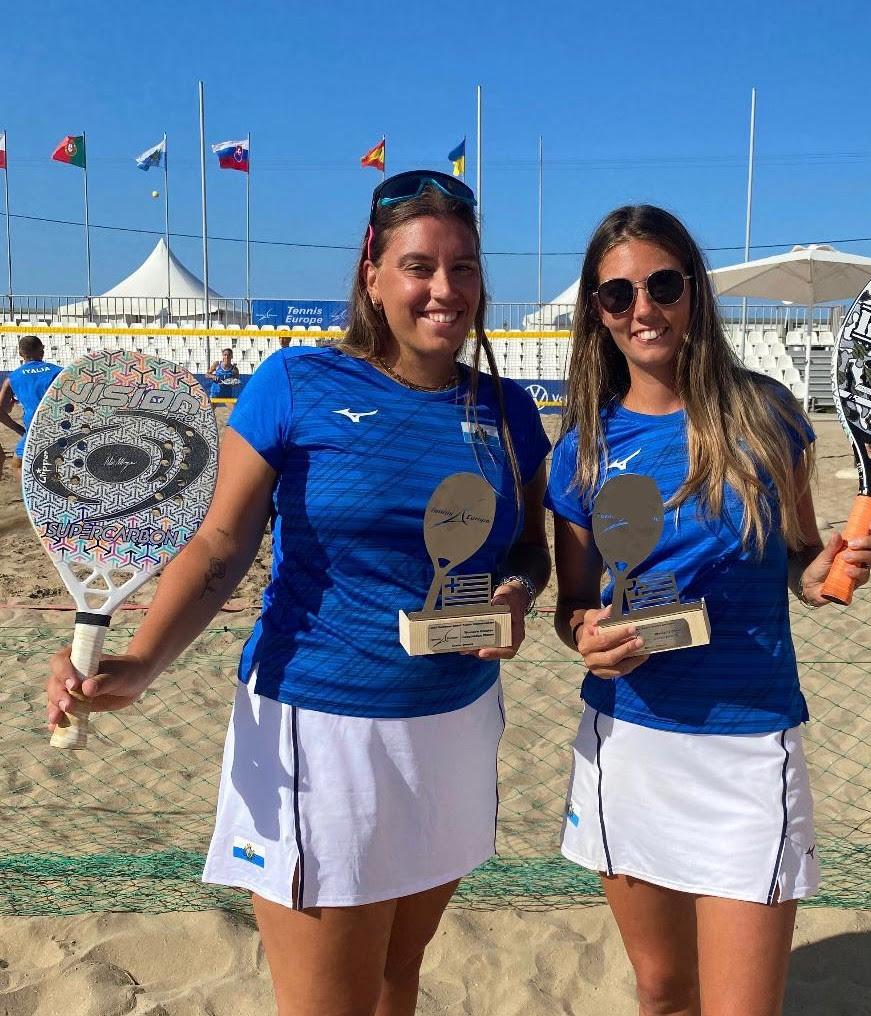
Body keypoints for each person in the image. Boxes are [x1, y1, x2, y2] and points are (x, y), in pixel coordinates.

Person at [47, 170, 551, 1016]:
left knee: (398, 977)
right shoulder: (297, 383)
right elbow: (217, 546)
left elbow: (531, 552)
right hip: (320, 731)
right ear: (372, 274)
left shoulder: (507, 408)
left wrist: (516, 597)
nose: (444, 289)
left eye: (463, 268)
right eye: (420, 266)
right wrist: (141, 662)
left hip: (457, 724)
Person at [545, 205, 871, 1016]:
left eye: (663, 285)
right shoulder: (582, 449)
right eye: (618, 294)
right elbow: (571, 606)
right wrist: (584, 638)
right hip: (628, 744)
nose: (643, 309)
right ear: (597, 312)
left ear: (693, 292)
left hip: (747, 741)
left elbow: (799, 560)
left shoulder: (767, 415)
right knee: (663, 992)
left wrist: (827, 567)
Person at [0, 335, 63, 478]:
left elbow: (1, 410)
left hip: (34, 428)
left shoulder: (13, 378)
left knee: (18, 465)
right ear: (42, 350)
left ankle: (33, 497)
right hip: (60, 425)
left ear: (21, 354)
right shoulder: (59, 372)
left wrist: (18, 428)